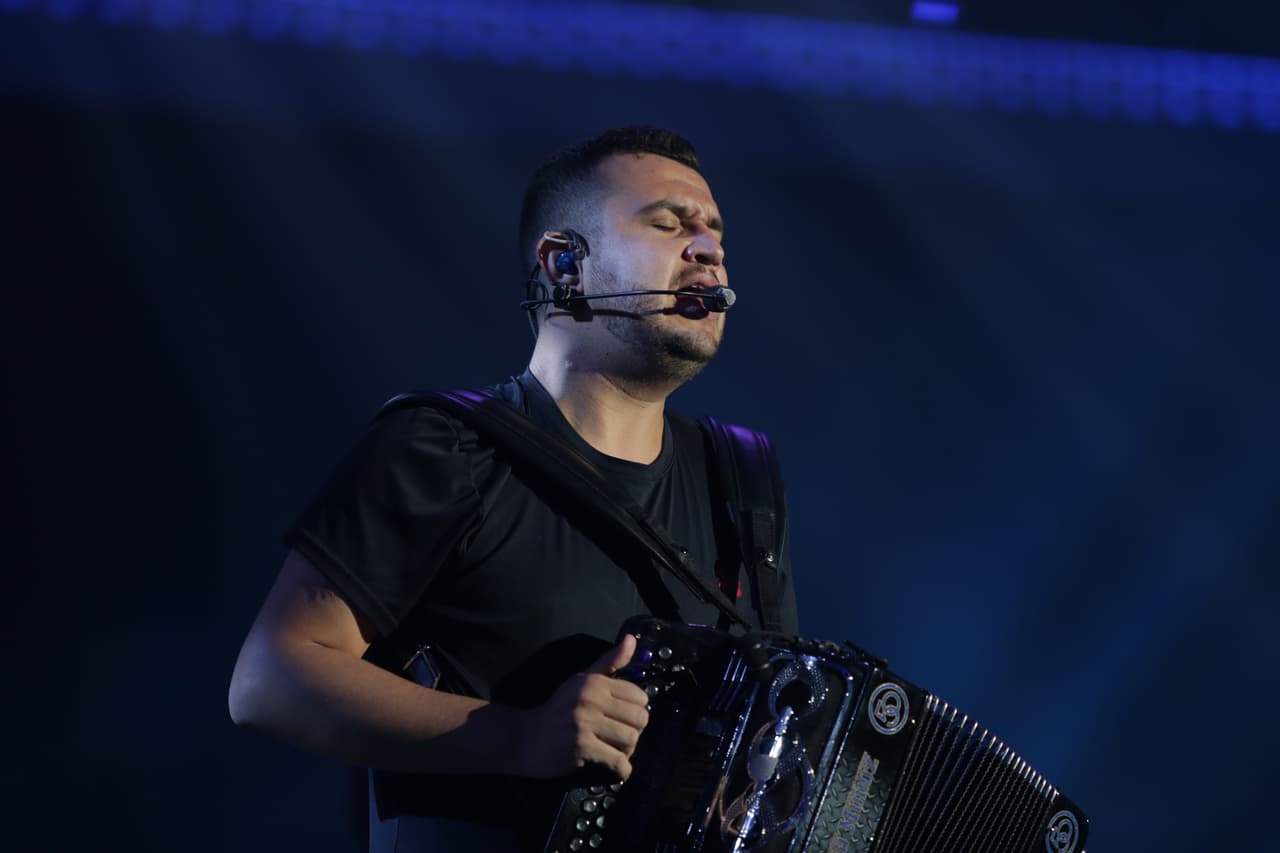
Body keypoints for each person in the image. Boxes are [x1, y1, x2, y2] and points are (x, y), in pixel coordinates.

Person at [228, 126, 799, 851]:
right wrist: (523, 736)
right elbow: (270, 679)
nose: (708, 248)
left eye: (715, 231)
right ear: (564, 264)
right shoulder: (444, 448)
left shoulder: (742, 479)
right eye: (669, 223)